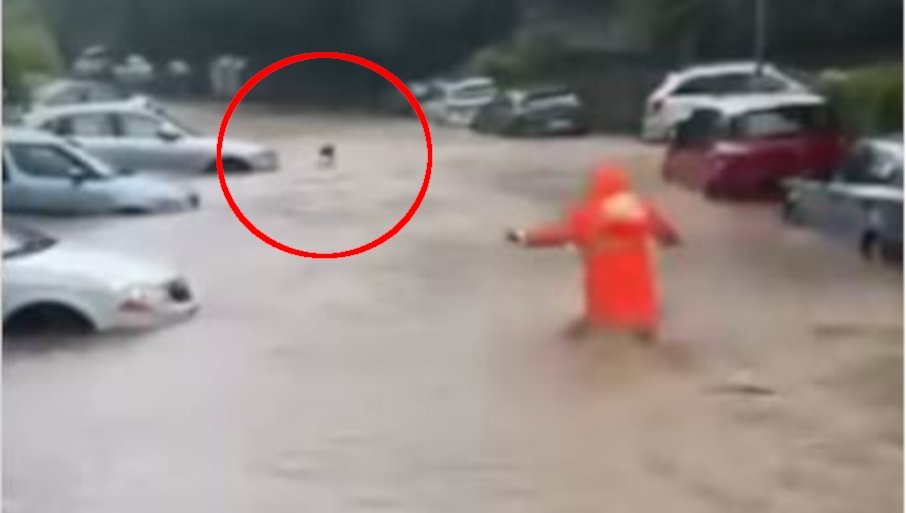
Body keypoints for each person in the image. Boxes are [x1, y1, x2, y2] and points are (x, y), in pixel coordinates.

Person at [506, 165, 680, 341]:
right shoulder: (643, 209)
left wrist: (523, 237)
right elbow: (667, 234)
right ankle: (654, 344)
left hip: (603, 283)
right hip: (639, 284)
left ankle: (565, 346)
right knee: (644, 320)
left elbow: (559, 235)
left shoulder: (587, 213)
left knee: (593, 323)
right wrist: (668, 241)